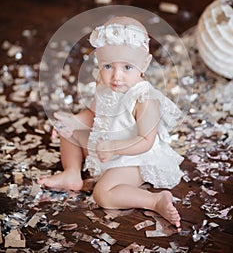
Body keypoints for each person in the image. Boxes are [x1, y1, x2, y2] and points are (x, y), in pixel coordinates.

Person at [38, 16, 184, 228]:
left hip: (133, 158)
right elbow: (94, 114)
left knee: (103, 194)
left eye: (127, 67)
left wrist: (115, 147)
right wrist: (72, 121)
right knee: (68, 131)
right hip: (103, 146)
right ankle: (72, 173)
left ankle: (155, 200)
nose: (116, 76)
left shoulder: (145, 99)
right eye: (108, 66)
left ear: (144, 63)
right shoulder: (105, 85)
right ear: (98, 60)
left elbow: (145, 141)